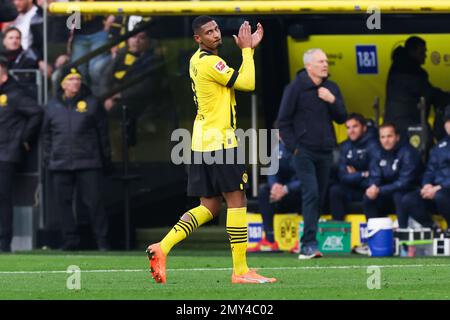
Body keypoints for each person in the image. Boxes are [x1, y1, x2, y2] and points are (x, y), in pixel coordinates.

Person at [146, 16, 275, 284]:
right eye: (208, 32)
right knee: (237, 201)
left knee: (209, 205)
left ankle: (163, 247)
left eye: (216, 29)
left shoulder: (195, 60)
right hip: (221, 142)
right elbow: (248, 83)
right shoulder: (211, 63)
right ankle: (240, 270)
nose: (215, 34)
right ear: (198, 38)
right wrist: (247, 50)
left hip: (200, 143)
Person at [277, 48, 347, 259]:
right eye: (320, 61)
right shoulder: (295, 88)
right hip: (303, 151)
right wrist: (294, 148)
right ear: (309, 66)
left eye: (326, 61)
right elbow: (283, 121)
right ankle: (307, 244)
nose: (325, 64)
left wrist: (331, 100)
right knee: (312, 194)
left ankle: (310, 241)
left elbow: (342, 117)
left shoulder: (331, 87)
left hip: (325, 151)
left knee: (319, 197)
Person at [41, 67, 111, 251]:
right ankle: (70, 241)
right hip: (60, 163)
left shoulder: (92, 103)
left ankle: (102, 241)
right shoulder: (52, 105)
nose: (75, 82)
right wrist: (49, 157)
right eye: (71, 79)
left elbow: (103, 133)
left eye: (77, 79)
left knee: (94, 203)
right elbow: (46, 135)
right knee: (63, 204)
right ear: (63, 84)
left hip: (88, 161)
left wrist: (105, 158)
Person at [0, 58, 42, 252]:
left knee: (2, 198)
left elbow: (36, 112)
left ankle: (4, 243)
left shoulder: (15, 94)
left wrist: (24, 139)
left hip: (6, 154)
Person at [384, 36, 449, 146]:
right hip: (408, 123)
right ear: (412, 52)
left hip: (394, 121)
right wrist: (445, 98)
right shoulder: (411, 71)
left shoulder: (397, 67)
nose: (425, 55)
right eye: (421, 52)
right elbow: (428, 92)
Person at [363, 123, 423, 229]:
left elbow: (404, 183)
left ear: (397, 137)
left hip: (410, 191)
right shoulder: (378, 153)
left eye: (389, 136)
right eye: (383, 137)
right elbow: (375, 175)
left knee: (398, 194)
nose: (386, 140)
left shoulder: (408, 152)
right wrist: (373, 187)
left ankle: (402, 231)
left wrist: (380, 190)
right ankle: (375, 232)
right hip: (386, 192)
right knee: (368, 196)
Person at [401, 106, 450, 233]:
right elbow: (430, 170)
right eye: (447, 121)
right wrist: (426, 185)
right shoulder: (440, 146)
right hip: (437, 193)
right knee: (408, 199)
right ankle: (433, 229)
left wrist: (439, 188)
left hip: (443, 193)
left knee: (441, 196)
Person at [249, 137, 301, 252]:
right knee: (263, 190)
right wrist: (274, 187)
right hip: (279, 195)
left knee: (308, 190)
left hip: (296, 194)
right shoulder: (277, 149)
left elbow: (305, 179)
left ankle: (303, 239)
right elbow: (272, 173)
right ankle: (269, 240)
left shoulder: (301, 148)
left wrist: (286, 189)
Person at [329, 113, 380, 221]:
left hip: (369, 188)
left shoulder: (374, 145)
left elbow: (374, 175)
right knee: (335, 190)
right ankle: (338, 233)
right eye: (348, 128)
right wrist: (363, 174)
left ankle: (373, 233)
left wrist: (355, 175)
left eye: (355, 126)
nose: (351, 131)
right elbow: (343, 176)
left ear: (364, 128)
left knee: (371, 193)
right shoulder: (345, 146)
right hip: (352, 188)